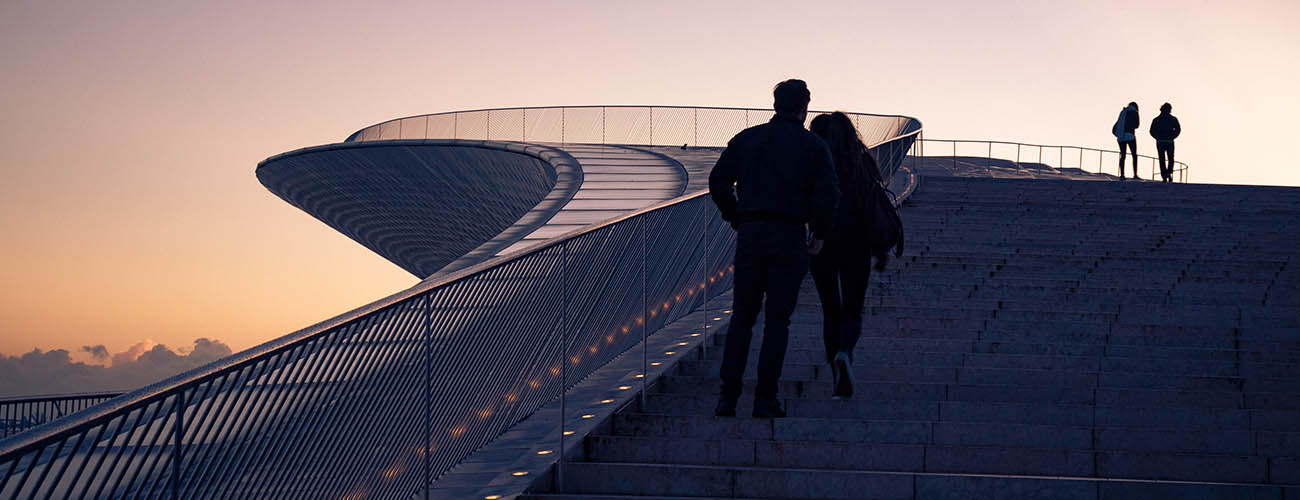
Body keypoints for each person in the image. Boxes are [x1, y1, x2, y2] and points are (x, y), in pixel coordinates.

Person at [708, 79, 839, 418]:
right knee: (777, 321)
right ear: (804, 107)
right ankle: (765, 398)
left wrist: (736, 216)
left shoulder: (747, 139)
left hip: (751, 234)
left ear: (775, 103)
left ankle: (727, 396)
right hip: (789, 234)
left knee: (742, 318)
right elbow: (828, 196)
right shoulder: (813, 147)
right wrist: (819, 234)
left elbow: (718, 180)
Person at [808, 112, 882, 399]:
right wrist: (879, 247)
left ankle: (837, 375)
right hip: (857, 243)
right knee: (852, 308)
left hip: (822, 242)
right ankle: (845, 352)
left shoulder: (815, 163)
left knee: (831, 309)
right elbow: (873, 205)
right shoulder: (862, 163)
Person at [1149, 102, 1182, 183]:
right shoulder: (1173, 119)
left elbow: (1151, 131)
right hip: (1170, 141)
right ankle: (1169, 172)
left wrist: (1157, 137)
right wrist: (1173, 137)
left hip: (1160, 142)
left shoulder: (1156, 119)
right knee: (1171, 158)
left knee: (1161, 159)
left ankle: (1164, 176)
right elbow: (1178, 129)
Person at [1112, 102, 1140, 179]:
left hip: (1121, 136)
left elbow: (1118, 123)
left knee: (1123, 155)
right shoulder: (1135, 113)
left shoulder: (1123, 112)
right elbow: (1137, 125)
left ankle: (1122, 174)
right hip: (1130, 135)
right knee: (1134, 155)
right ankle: (1135, 174)